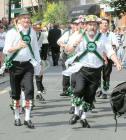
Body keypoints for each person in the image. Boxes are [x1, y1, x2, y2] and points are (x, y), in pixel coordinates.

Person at [62, 15, 122, 128]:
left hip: (95, 71)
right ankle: (76, 113)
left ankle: (83, 117)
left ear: (97, 26)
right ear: (85, 25)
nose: (92, 27)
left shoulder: (103, 37)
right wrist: (76, 43)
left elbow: (110, 52)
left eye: (94, 25)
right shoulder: (79, 36)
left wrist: (117, 62)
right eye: (90, 24)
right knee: (78, 90)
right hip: (81, 68)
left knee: (89, 96)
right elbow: (68, 51)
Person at [3, 9, 41, 129]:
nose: (26, 20)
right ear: (18, 20)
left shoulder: (32, 32)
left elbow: (35, 49)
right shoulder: (12, 33)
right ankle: (16, 117)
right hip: (14, 65)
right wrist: (17, 46)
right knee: (16, 93)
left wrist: (38, 64)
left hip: (28, 65)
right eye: (24, 18)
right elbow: (5, 50)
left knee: (29, 90)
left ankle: (27, 118)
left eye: (28, 18)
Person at [96, 18, 119, 99]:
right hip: (98, 57)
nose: (105, 24)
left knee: (106, 74)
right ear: (100, 25)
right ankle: (98, 90)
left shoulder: (111, 34)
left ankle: (105, 91)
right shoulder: (97, 34)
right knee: (97, 74)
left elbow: (115, 45)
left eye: (106, 23)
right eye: (103, 23)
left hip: (109, 57)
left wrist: (111, 49)